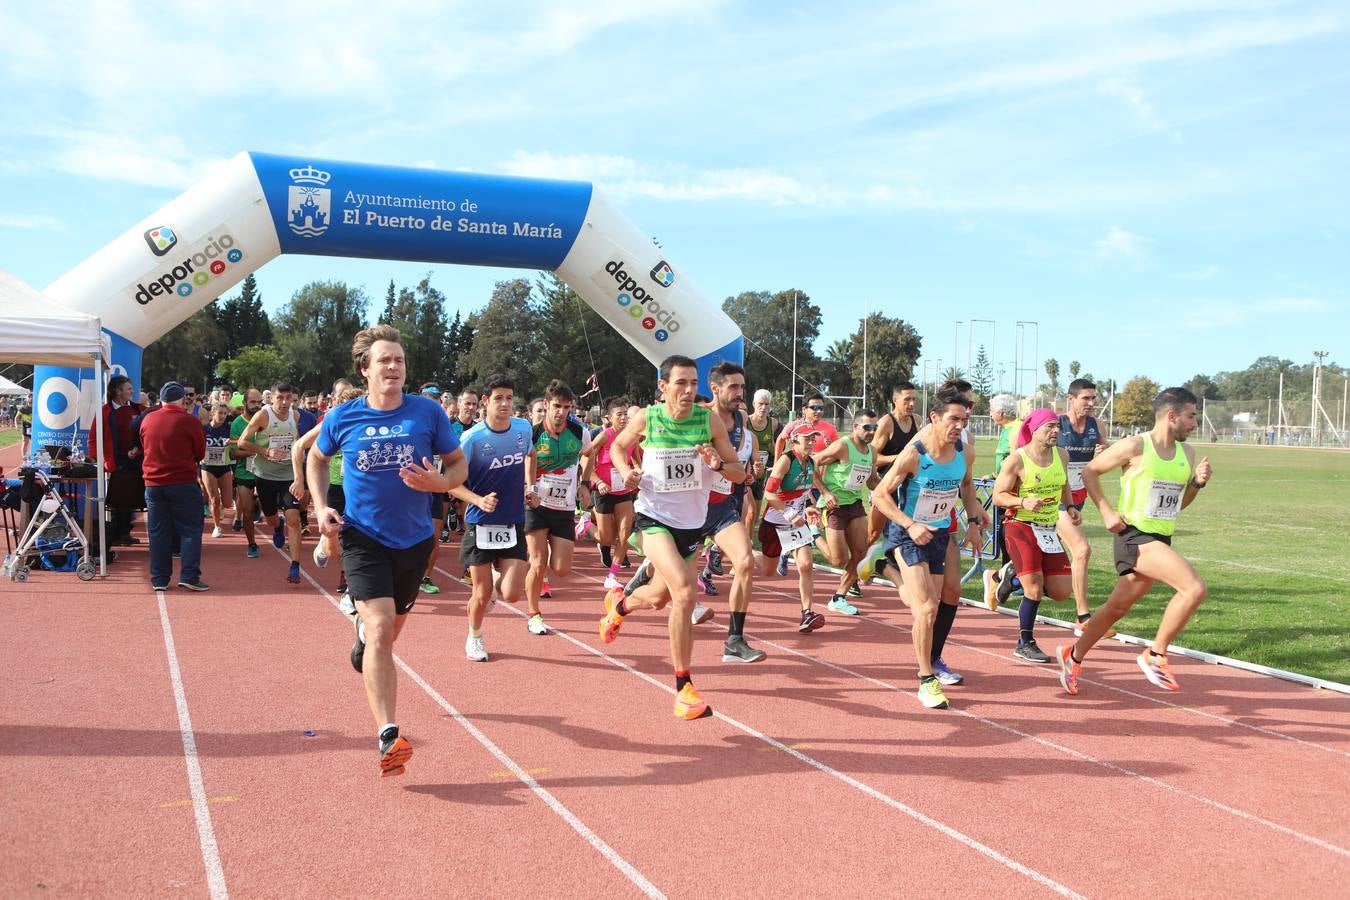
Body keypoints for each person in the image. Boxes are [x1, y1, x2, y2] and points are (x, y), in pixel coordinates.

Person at [309, 325, 466, 777]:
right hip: (362, 536)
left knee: (388, 633)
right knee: (380, 628)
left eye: (398, 360)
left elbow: (458, 463)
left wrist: (442, 483)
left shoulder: (428, 413)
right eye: (384, 360)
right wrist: (321, 509)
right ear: (365, 369)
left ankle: (362, 642)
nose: (394, 367)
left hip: (415, 541)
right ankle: (388, 736)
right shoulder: (343, 417)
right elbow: (316, 458)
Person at [598, 355, 745, 720]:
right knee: (684, 590)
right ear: (663, 387)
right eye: (680, 383)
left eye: (693, 383)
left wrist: (716, 464)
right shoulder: (648, 417)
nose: (688, 390)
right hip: (653, 518)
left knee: (661, 598)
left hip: (692, 525)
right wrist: (625, 471)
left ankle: (620, 606)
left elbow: (739, 474)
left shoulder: (708, 419)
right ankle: (684, 689)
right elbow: (618, 447)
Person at [1058, 387, 1212, 696]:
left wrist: (1197, 483)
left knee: (1116, 607)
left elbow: (1178, 505)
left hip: (1160, 537)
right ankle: (1155, 655)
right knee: (1194, 588)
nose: (1195, 423)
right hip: (1133, 536)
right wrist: (1106, 511)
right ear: (1172, 416)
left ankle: (1072, 656)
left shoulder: (1187, 453)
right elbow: (1090, 471)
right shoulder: (1135, 445)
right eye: (1191, 416)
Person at [871, 385, 983, 710]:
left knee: (929, 605)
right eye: (952, 419)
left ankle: (886, 569)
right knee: (927, 609)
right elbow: (879, 494)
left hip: (937, 535)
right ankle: (926, 679)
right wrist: (910, 524)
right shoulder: (914, 455)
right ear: (934, 417)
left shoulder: (965, 452)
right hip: (909, 532)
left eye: (963, 420)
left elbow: (966, 484)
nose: (959, 426)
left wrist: (974, 523)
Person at [450, 374, 532, 662]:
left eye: (509, 398)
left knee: (511, 594)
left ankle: (498, 578)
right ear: (485, 402)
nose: (505, 403)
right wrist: (478, 500)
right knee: (482, 593)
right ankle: (474, 636)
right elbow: (451, 482)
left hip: (513, 521)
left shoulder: (523, 429)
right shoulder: (472, 439)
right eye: (498, 398)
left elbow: (529, 455)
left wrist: (529, 487)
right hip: (480, 523)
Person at [691, 362, 765, 662]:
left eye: (742, 387)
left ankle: (734, 641)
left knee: (746, 561)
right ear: (716, 388)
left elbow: (738, 469)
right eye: (733, 387)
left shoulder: (742, 426)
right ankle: (626, 598)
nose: (739, 393)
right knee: (658, 590)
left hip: (721, 507)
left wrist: (742, 472)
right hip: (690, 509)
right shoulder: (698, 418)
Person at [991, 409, 1076, 663]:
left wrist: (1070, 506)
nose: (1056, 431)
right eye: (1050, 426)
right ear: (1035, 429)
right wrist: (1021, 501)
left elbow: (1064, 485)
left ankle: (1012, 576)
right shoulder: (1017, 460)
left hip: (1047, 529)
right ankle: (1024, 642)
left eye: (1058, 426)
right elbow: (998, 496)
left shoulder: (1062, 455)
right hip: (1020, 525)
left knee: (1061, 592)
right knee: (1035, 589)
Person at [522, 379, 592, 635]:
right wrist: (528, 488)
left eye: (566, 407)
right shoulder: (532, 433)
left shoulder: (579, 431)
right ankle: (533, 613)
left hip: (564, 507)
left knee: (561, 568)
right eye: (556, 406)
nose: (561, 412)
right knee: (538, 562)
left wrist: (585, 483)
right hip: (537, 505)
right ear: (546, 405)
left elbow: (589, 452)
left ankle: (534, 570)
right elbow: (524, 462)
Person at [139, 381, 208, 592]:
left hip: (153, 483)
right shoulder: (190, 421)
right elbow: (200, 453)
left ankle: (159, 578)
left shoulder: (148, 419)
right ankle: (189, 575)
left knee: (158, 531)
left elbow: (144, 445)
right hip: (182, 482)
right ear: (181, 399)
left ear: (161, 399)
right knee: (190, 529)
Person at [811, 410, 879, 615]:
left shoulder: (872, 452)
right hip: (834, 506)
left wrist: (886, 488)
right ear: (855, 427)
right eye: (867, 427)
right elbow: (811, 463)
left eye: (874, 428)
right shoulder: (842, 446)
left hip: (855, 504)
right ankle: (814, 534)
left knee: (862, 552)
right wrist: (825, 491)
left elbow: (872, 480)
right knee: (837, 560)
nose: (871, 432)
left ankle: (839, 597)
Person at [1057, 379, 1110, 635]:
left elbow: (1104, 459)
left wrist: (1103, 452)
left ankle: (1000, 578)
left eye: (1093, 399)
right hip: (1055, 498)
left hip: (1079, 497)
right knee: (1082, 550)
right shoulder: (1058, 424)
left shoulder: (1096, 425)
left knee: (1050, 559)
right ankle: (1083, 618)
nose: (1091, 403)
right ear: (1071, 399)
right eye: (1085, 399)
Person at [760, 428, 828, 633]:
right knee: (767, 570)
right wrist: (790, 513)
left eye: (813, 438)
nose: (810, 442)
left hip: (796, 523)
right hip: (775, 520)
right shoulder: (786, 460)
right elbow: (769, 493)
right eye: (806, 439)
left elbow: (803, 491)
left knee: (806, 565)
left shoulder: (811, 462)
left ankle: (807, 613)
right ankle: (744, 558)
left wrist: (809, 506)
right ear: (793, 441)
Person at [239, 383, 306, 583]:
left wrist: (299, 469)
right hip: (265, 474)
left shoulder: (295, 416)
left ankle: (295, 566)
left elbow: (296, 441)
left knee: (294, 519)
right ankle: (278, 526)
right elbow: (242, 442)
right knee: (270, 518)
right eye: (280, 398)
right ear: (272, 399)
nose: (285, 402)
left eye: (289, 398)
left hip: (288, 474)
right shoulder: (263, 416)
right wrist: (266, 451)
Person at [862, 382, 920, 581]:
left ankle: (895, 570)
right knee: (873, 533)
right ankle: (854, 576)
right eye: (907, 399)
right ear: (895, 400)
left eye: (914, 399)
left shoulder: (917, 421)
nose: (912, 403)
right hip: (885, 488)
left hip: (909, 489)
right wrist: (899, 459)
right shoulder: (887, 422)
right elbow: (872, 456)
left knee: (906, 533)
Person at [583, 395, 636, 590]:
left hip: (623, 490)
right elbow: (585, 459)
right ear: (609, 418)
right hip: (604, 490)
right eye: (619, 415)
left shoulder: (633, 437)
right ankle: (586, 524)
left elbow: (637, 461)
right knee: (606, 539)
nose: (623, 418)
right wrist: (596, 481)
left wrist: (636, 472)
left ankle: (612, 574)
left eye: (625, 414)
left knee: (624, 533)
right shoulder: (605, 436)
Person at [982, 393, 1023, 609]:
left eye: (991, 410)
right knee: (1004, 537)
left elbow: (1017, 460)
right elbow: (1006, 461)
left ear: (1000, 412)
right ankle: (1006, 580)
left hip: (1011, 494)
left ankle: (1001, 579)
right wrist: (995, 474)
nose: (990, 414)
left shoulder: (1016, 429)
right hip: (1003, 487)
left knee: (1010, 536)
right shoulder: (1007, 430)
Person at [92, 375, 143, 546]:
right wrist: (98, 460)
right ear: (117, 391)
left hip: (138, 461)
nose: (132, 391)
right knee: (119, 498)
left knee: (135, 498)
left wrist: (138, 449)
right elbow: (93, 438)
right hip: (117, 461)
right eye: (128, 388)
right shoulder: (104, 412)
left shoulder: (140, 410)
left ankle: (125, 533)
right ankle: (116, 534)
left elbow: (147, 434)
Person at [228, 389, 263, 558]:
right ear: (245, 404)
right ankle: (252, 544)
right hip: (245, 472)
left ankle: (276, 523)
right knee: (247, 510)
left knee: (272, 513)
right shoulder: (237, 424)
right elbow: (233, 453)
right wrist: (257, 452)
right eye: (253, 402)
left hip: (267, 471)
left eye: (259, 402)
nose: (257, 406)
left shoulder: (266, 420)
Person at [200, 402, 234, 538]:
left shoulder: (228, 429)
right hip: (207, 467)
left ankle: (219, 508)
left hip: (224, 467)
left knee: (227, 503)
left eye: (225, 413)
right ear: (212, 413)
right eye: (220, 413)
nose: (223, 416)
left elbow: (239, 441)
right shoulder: (204, 429)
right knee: (214, 499)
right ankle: (217, 526)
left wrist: (231, 442)